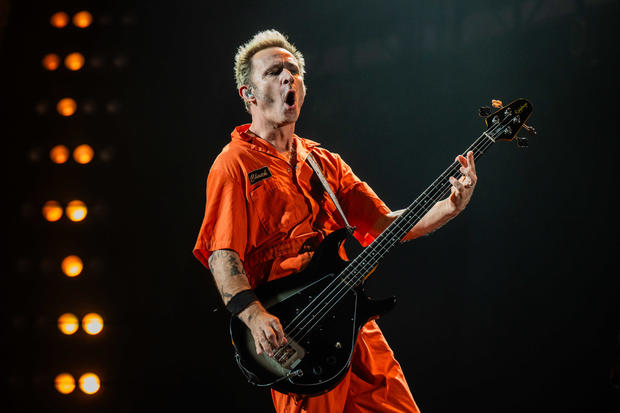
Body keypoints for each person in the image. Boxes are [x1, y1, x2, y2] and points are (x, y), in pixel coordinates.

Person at [193, 29, 477, 413]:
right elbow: (222, 256)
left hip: (351, 319)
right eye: (274, 71)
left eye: (294, 71)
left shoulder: (323, 162)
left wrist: (450, 205)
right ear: (249, 95)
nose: (287, 78)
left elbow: (384, 225)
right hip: (297, 332)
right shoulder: (234, 164)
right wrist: (255, 317)